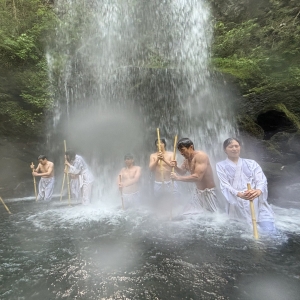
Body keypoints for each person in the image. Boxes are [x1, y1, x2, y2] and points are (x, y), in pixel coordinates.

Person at [216, 138, 275, 233]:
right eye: (230, 147)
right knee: (244, 233)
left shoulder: (251, 163)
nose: (234, 149)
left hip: (255, 200)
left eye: (236, 146)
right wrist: (239, 194)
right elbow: (224, 185)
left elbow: (261, 180)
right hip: (237, 204)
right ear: (225, 150)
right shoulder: (220, 165)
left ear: (240, 147)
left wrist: (258, 191)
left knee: (270, 232)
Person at [170, 138, 218, 213]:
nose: (181, 153)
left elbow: (197, 177)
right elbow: (182, 172)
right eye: (179, 151)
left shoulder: (201, 156)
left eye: (182, 150)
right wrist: (175, 167)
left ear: (191, 147)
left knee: (214, 218)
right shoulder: (187, 160)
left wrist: (177, 178)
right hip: (198, 192)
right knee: (187, 213)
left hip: (209, 193)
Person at [149, 137, 180, 202]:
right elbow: (151, 169)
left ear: (165, 144)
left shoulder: (171, 154)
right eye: (157, 143)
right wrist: (157, 159)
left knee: (175, 200)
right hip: (158, 182)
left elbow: (173, 166)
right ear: (156, 145)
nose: (160, 144)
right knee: (159, 201)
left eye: (161, 143)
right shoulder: (153, 156)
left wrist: (164, 159)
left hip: (170, 182)